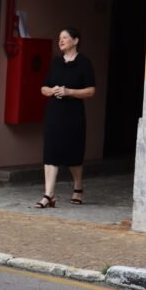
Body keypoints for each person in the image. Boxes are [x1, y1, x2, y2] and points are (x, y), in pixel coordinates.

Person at [35, 27, 96, 209]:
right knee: (51, 151)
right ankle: (49, 195)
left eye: (65, 37)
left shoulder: (84, 63)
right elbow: (43, 88)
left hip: (73, 113)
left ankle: (78, 187)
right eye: (59, 37)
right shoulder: (55, 63)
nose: (61, 40)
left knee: (73, 153)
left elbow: (91, 90)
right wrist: (51, 91)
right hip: (55, 111)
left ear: (75, 41)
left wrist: (70, 91)